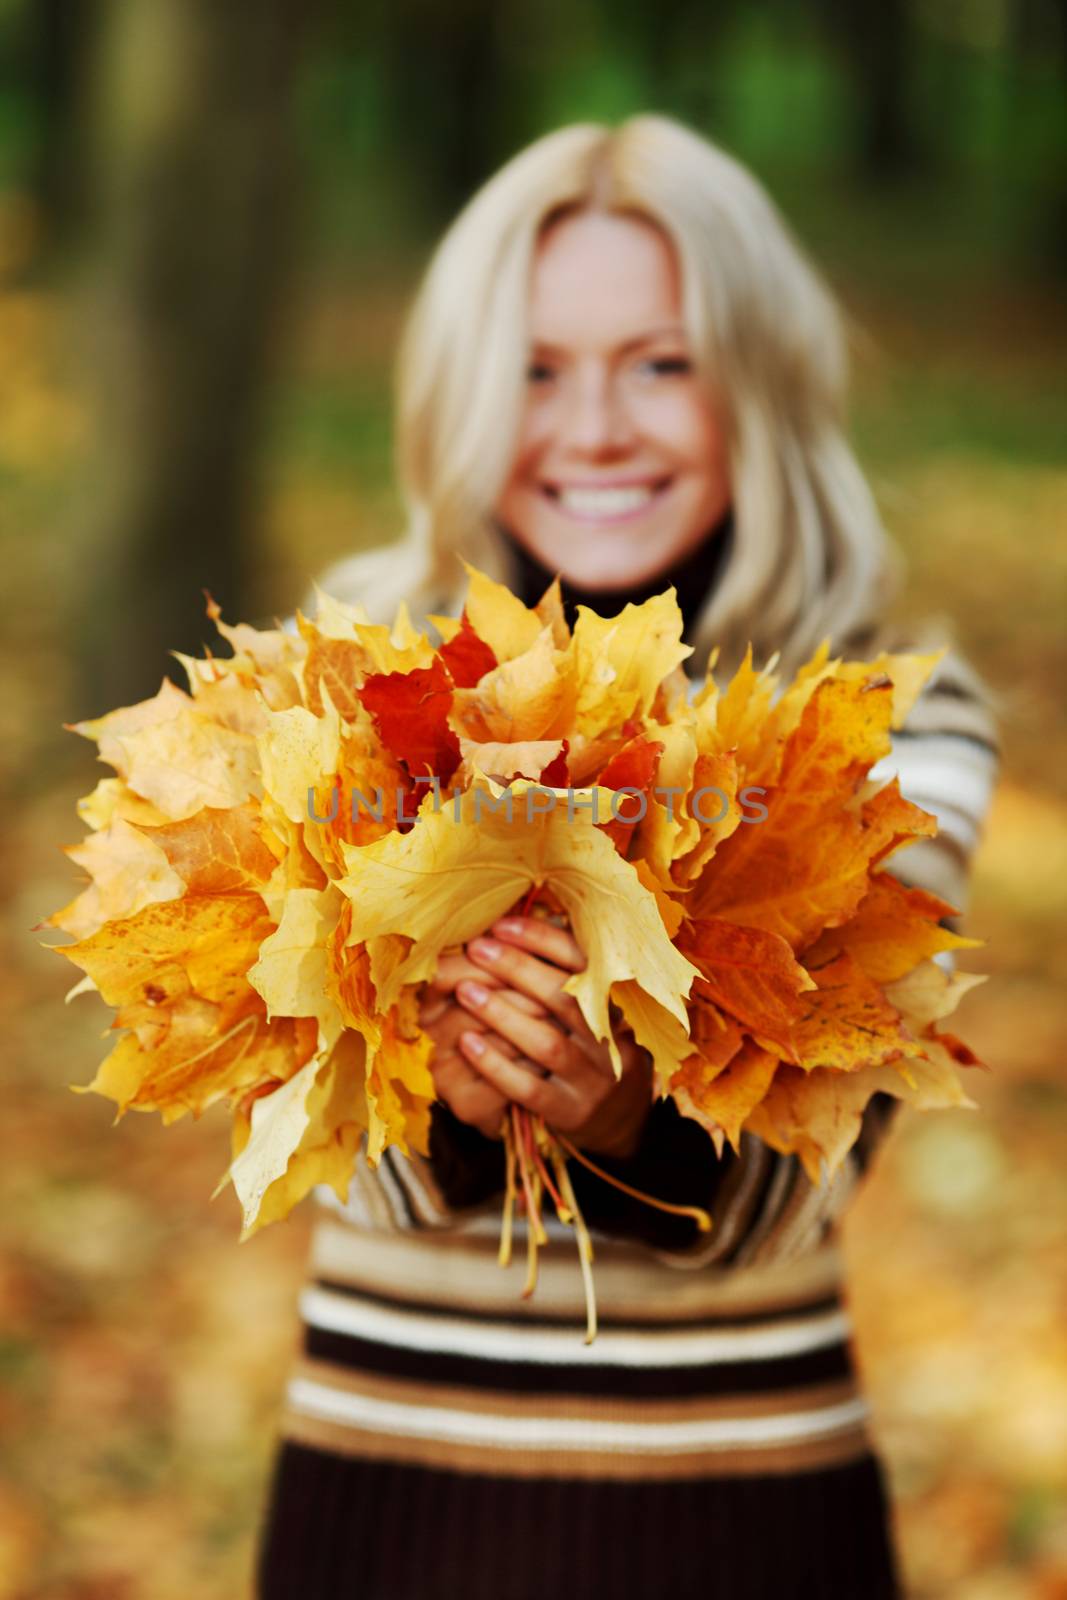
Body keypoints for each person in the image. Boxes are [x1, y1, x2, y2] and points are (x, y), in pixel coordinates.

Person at [255, 115, 1001, 1599]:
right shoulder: (343, 695)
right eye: (533, 369)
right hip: (387, 1506)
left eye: (662, 364)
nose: (593, 428)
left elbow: (805, 1182)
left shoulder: (885, 722)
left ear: (763, 382)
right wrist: (455, 1098)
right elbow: (343, 1163)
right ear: (459, 396)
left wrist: (621, 1116)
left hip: (735, 1517)